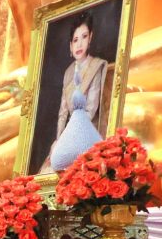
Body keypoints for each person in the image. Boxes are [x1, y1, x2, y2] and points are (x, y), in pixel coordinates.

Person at [38, 13, 109, 173]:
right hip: (68, 134)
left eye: (84, 37)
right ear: (70, 45)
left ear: (90, 38)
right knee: (49, 169)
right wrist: (59, 140)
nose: (79, 44)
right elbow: (63, 113)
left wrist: (71, 136)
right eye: (75, 40)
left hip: (87, 132)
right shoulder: (69, 72)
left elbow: (90, 110)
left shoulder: (96, 66)